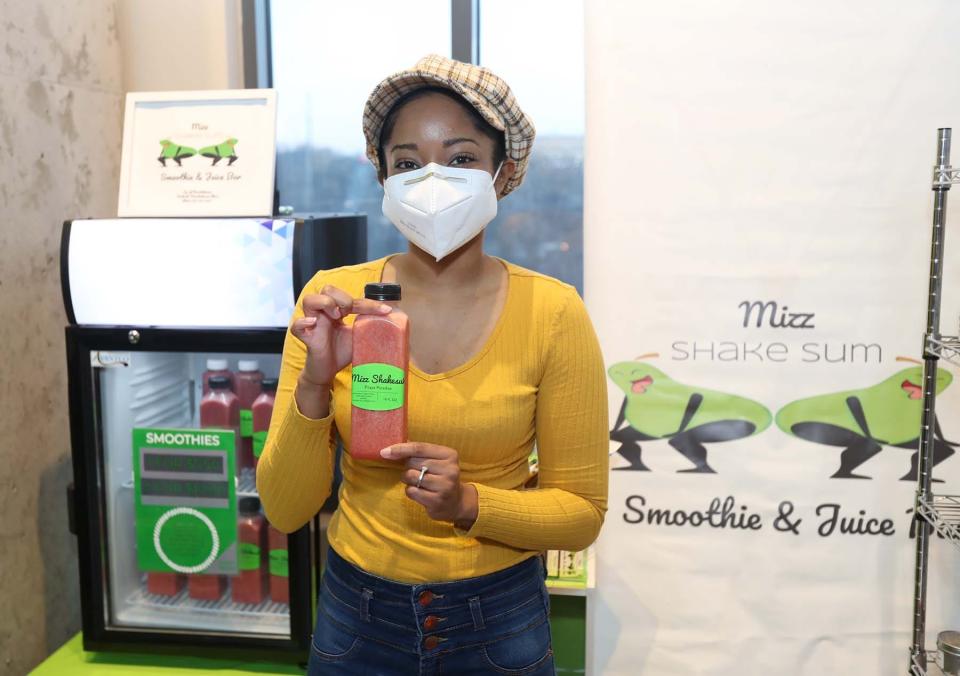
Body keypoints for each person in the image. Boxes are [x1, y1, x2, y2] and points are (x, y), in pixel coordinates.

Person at [257, 54, 609, 675]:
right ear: (384, 178)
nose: (433, 178)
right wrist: (316, 382)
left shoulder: (553, 312)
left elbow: (580, 513)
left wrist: (470, 503)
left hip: (498, 621)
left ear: (503, 173)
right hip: (353, 613)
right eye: (408, 163)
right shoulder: (336, 304)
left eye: (462, 158)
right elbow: (286, 509)